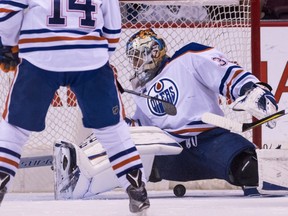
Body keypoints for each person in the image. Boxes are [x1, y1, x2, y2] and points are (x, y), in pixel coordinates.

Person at [53, 28, 279, 199]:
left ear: (153, 51)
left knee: (250, 171)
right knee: (135, 161)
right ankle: (80, 176)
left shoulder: (188, 57)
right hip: (172, 152)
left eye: (138, 56)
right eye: (133, 59)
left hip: (211, 140)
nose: (136, 63)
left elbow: (226, 73)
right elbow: (142, 129)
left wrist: (252, 89)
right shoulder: (141, 90)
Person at [0, 1, 149, 213]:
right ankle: (137, 189)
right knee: (111, 129)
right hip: (91, 61)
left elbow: (6, 12)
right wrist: (98, 57)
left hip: (40, 57)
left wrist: (9, 44)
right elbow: (113, 28)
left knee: (15, 128)